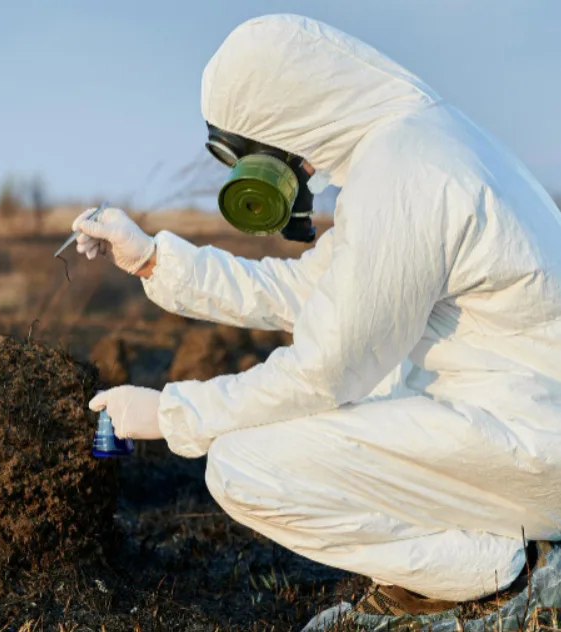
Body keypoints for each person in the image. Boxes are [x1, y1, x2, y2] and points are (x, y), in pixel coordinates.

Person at [72, 13, 561, 615]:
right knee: (370, 373)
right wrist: (151, 260)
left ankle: (492, 568)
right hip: (519, 420)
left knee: (242, 465)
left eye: (256, 152)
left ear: (290, 115)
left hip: (532, 443)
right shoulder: (416, 146)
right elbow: (310, 291)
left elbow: (324, 371)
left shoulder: (408, 173)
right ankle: (488, 546)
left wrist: (173, 413)